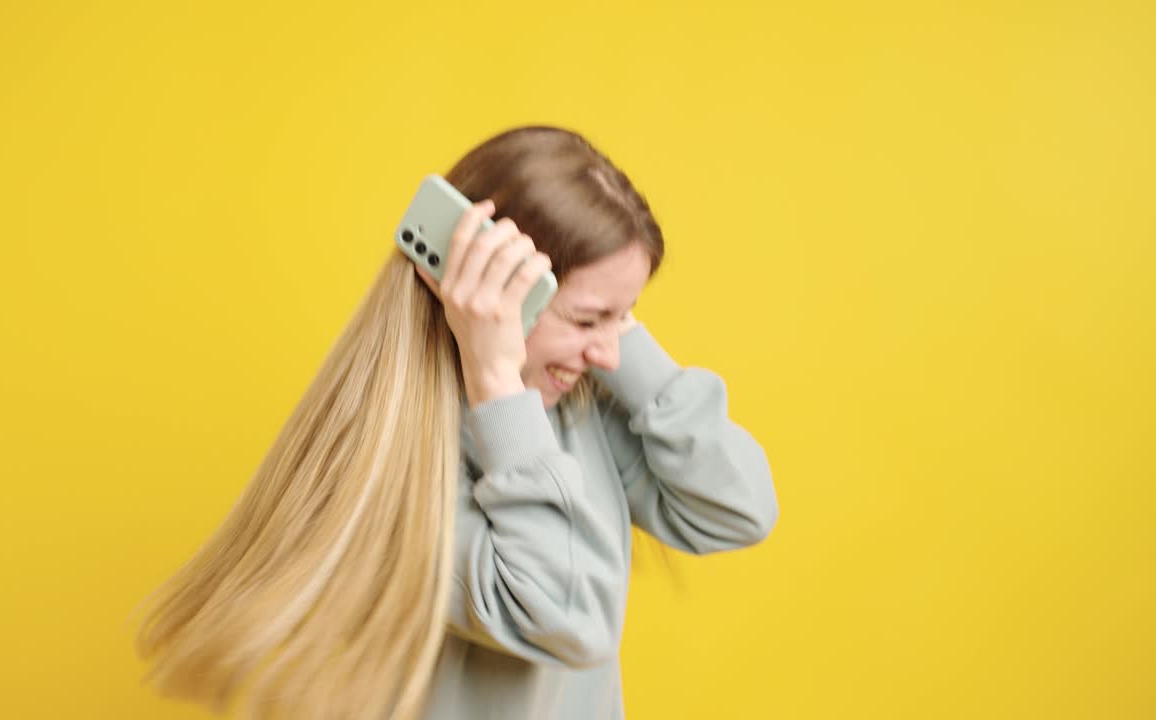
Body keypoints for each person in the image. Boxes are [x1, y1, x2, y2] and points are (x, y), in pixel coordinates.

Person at [133, 125, 780, 720]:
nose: (610, 353)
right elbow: (568, 617)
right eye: (587, 319)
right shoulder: (392, 462)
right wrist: (495, 377)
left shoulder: (575, 406)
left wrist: (613, 328)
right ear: (490, 298)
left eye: (626, 315)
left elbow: (738, 508)